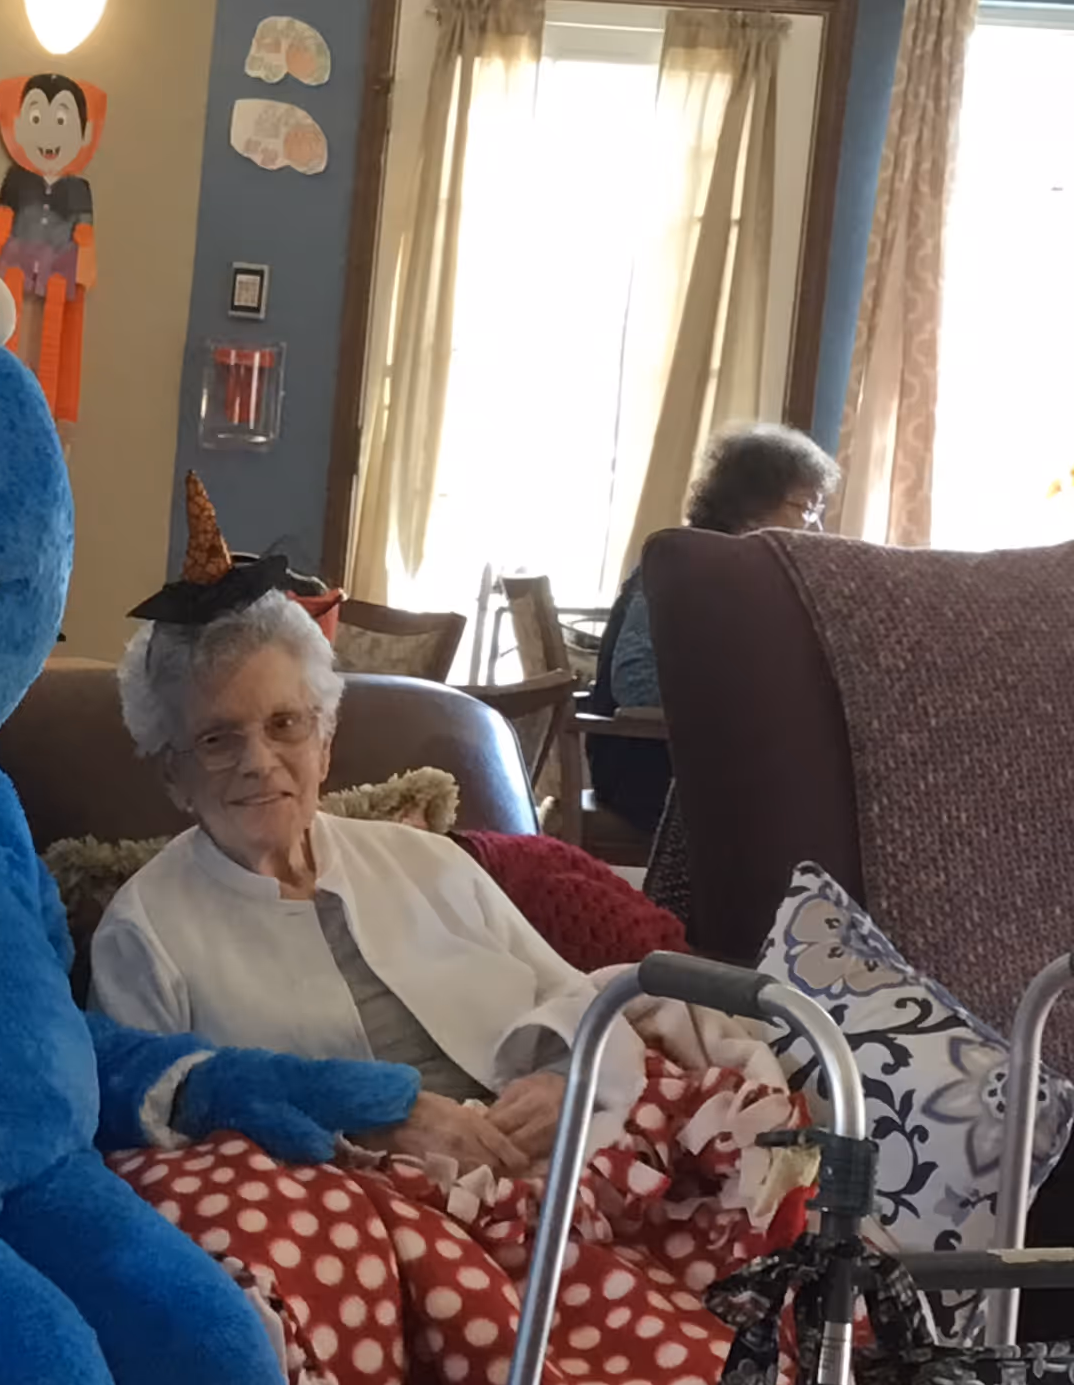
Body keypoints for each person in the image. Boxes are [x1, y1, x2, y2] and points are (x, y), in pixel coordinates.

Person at [89, 482, 643, 1179]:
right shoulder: (144, 933)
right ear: (174, 777)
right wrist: (368, 1134)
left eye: (285, 724)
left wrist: (567, 1083)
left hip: (553, 1167)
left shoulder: (428, 863)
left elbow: (580, 1003)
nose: (259, 763)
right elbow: (147, 1130)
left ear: (325, 741)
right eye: (217, 740)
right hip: (351, 1219)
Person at [587, 425, 842, 835]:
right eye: (806, 509)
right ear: (751, 503)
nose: (818, 531)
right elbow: (636, 684)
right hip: (650, 766)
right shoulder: (680, 563)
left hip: (706, 761)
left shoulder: (745, 574)